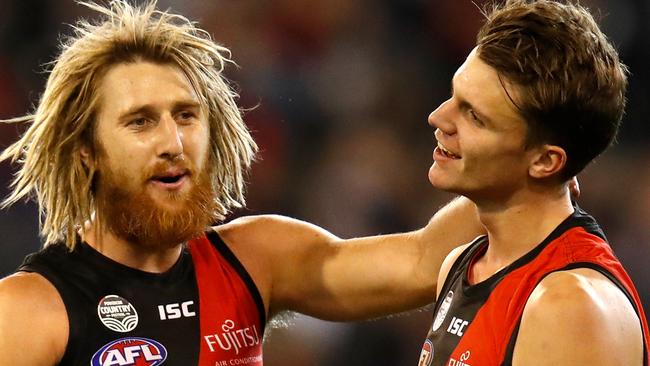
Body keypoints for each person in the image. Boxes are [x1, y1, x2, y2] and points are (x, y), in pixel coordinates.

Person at [0, 1, 486, 365]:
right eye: (140, 122)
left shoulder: (255, 259)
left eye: (186, 116)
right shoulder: (27, 312)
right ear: (87, 153)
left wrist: (522, 143)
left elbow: (425, 260)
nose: (173, 141)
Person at [417, 1, 649, 365]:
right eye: (453, 96)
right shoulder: (463, 265)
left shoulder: (571, 307)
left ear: (545, 161)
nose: (438, 118)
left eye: (475, 116)